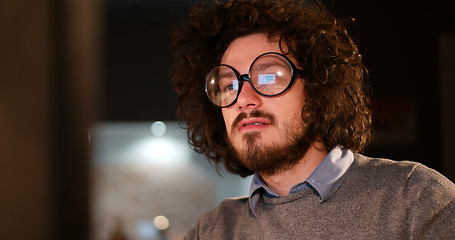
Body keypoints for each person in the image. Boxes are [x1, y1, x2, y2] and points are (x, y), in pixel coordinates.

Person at [170, 0, 455, 238]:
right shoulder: (212, 230)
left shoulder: (416, 200)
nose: (243, 98)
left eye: (268, 77)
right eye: (229, 85)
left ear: (318, 88)